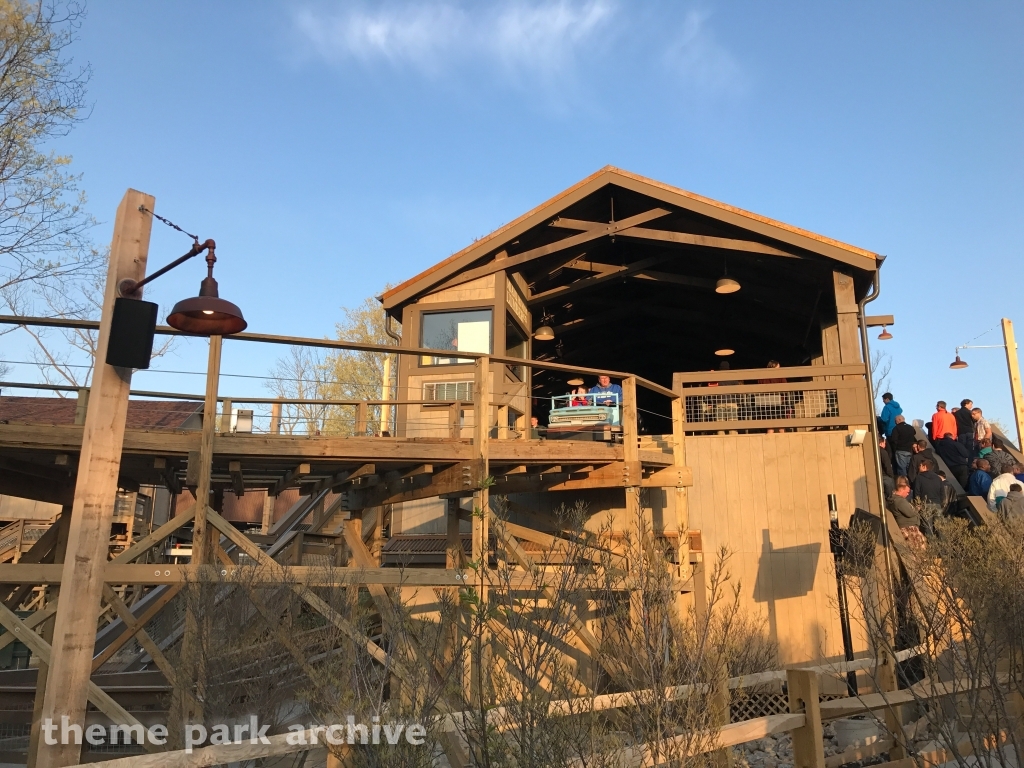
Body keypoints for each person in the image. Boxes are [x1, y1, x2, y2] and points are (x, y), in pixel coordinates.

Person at [888, 476, 927, 549]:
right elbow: (910, 513)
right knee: (918, 552)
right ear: (902, 488)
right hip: (909, 531)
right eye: (907, 492)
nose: (907, 494)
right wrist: (916, 509)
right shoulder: (899, 501)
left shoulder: (895, 500)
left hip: (909, 529)